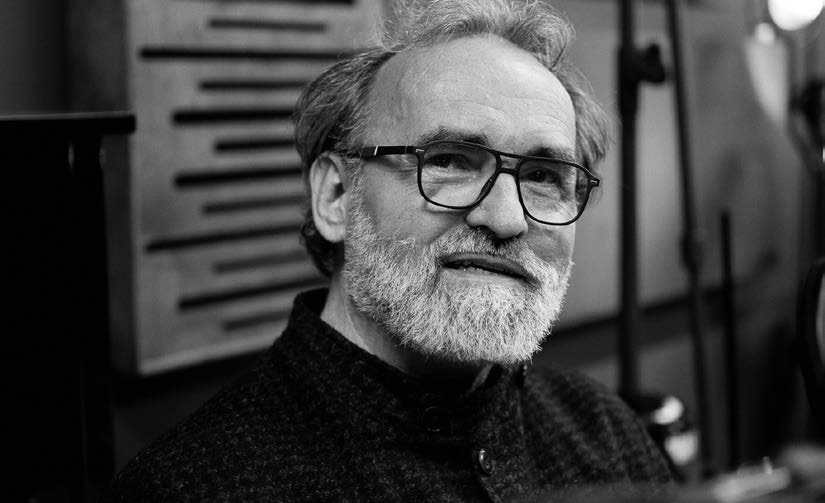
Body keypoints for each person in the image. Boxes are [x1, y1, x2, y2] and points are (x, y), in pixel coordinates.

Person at [106, 0, 673, 501]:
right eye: (448, 161)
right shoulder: (195, 486)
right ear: (335, 196)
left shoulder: (604, 430)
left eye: (544, 176)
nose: (506, 218)